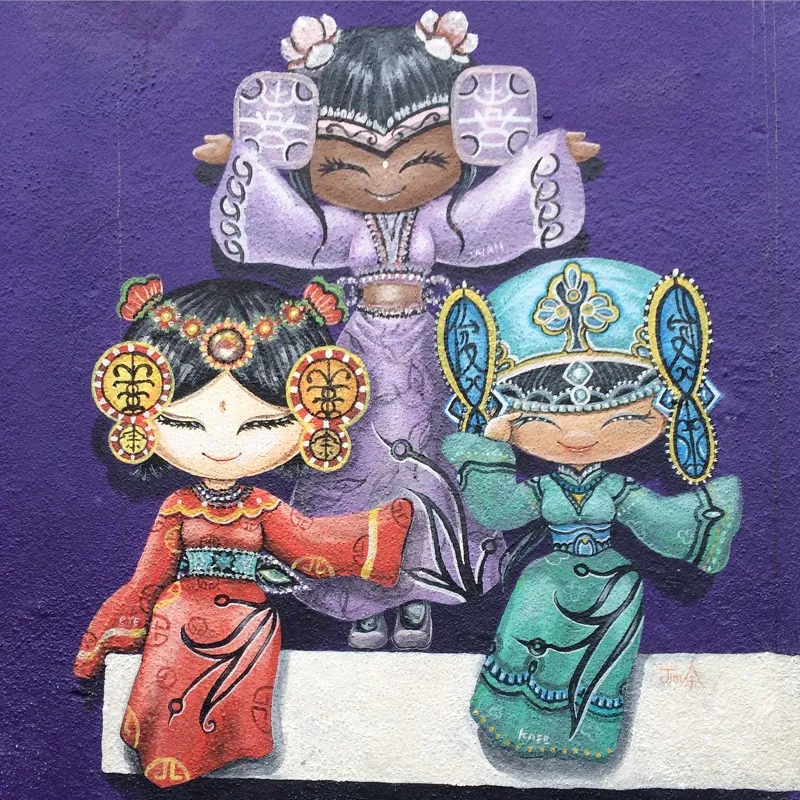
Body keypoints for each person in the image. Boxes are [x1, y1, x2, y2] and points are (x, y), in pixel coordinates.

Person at [193, 10, 599, 650]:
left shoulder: (440, 220)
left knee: (429, 461)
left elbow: (493, 214)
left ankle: (419, 595)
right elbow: (292, 229)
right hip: (357, 356)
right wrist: (243, 162)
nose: (385, 179)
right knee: (356, 465)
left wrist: (548, 159)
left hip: (428, 354)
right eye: (347, 164)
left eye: (422, 158)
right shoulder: (341, 228)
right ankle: (361, 599)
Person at [74, 275, 413, 787]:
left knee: (243, 644)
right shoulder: (178, 506)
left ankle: (232, 741)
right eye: (184, 424)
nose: (221, 446)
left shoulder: (261, 507)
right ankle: (169, 749)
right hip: (176, 614)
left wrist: (383, 530)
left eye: (261, 425)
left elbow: (308, 542)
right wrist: (114, 630)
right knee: (172, 631)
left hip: (247, 618)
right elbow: (149, 579)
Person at [442, 258, 742, 760]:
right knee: (526, 643)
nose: (579, 436)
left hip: (612, 587)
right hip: (544, 583)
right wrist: (489, 449)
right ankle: (517, 727)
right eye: (543, 419)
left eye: (616, 418)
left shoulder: (618, 490)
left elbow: (656, 521)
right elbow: (497, 510)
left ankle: (587, 737)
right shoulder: (544, 489)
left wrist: (705, 517)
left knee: (601, 667)